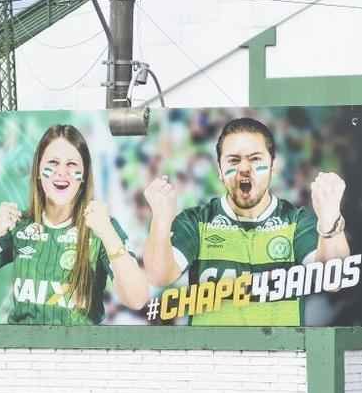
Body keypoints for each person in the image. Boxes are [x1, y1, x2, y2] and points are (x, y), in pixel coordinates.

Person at [142, 116, 350, 325]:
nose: (244, 168)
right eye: (233, 160)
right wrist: (160, 219)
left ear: (273, 166)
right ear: (220, 170)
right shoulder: (196, 221)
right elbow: (159, 276)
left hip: (280, 355)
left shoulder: (296, 221)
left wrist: (330, 217)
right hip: (210, 355)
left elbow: (334, 280)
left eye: (255, 159)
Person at [0, 124, 149, 324]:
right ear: (39, 171)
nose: (62, 172)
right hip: (21, 350)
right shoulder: (19, 226)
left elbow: (137, 299)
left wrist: (108, 234)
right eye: (53, 162)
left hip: (78, 352)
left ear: (84, 175)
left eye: (72, 164)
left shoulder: (102, 227)